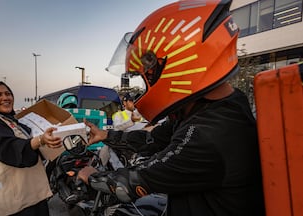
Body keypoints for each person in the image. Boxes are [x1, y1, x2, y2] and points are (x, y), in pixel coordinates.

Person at [75, 1, 265, 215]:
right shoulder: (214, 108)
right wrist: (105, 134)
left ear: (182, 64)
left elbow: (135, 181)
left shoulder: (208, 134)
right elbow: (152, 139)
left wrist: (90, 175)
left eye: (149, 73)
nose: (147, 84)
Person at [0, 81, 62, 216]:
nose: (5, 98)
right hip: (13, 206)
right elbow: (12, 149)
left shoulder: (13, 121)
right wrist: (40, 140)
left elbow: (30, 144)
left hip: (32, 197)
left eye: (8, 94)